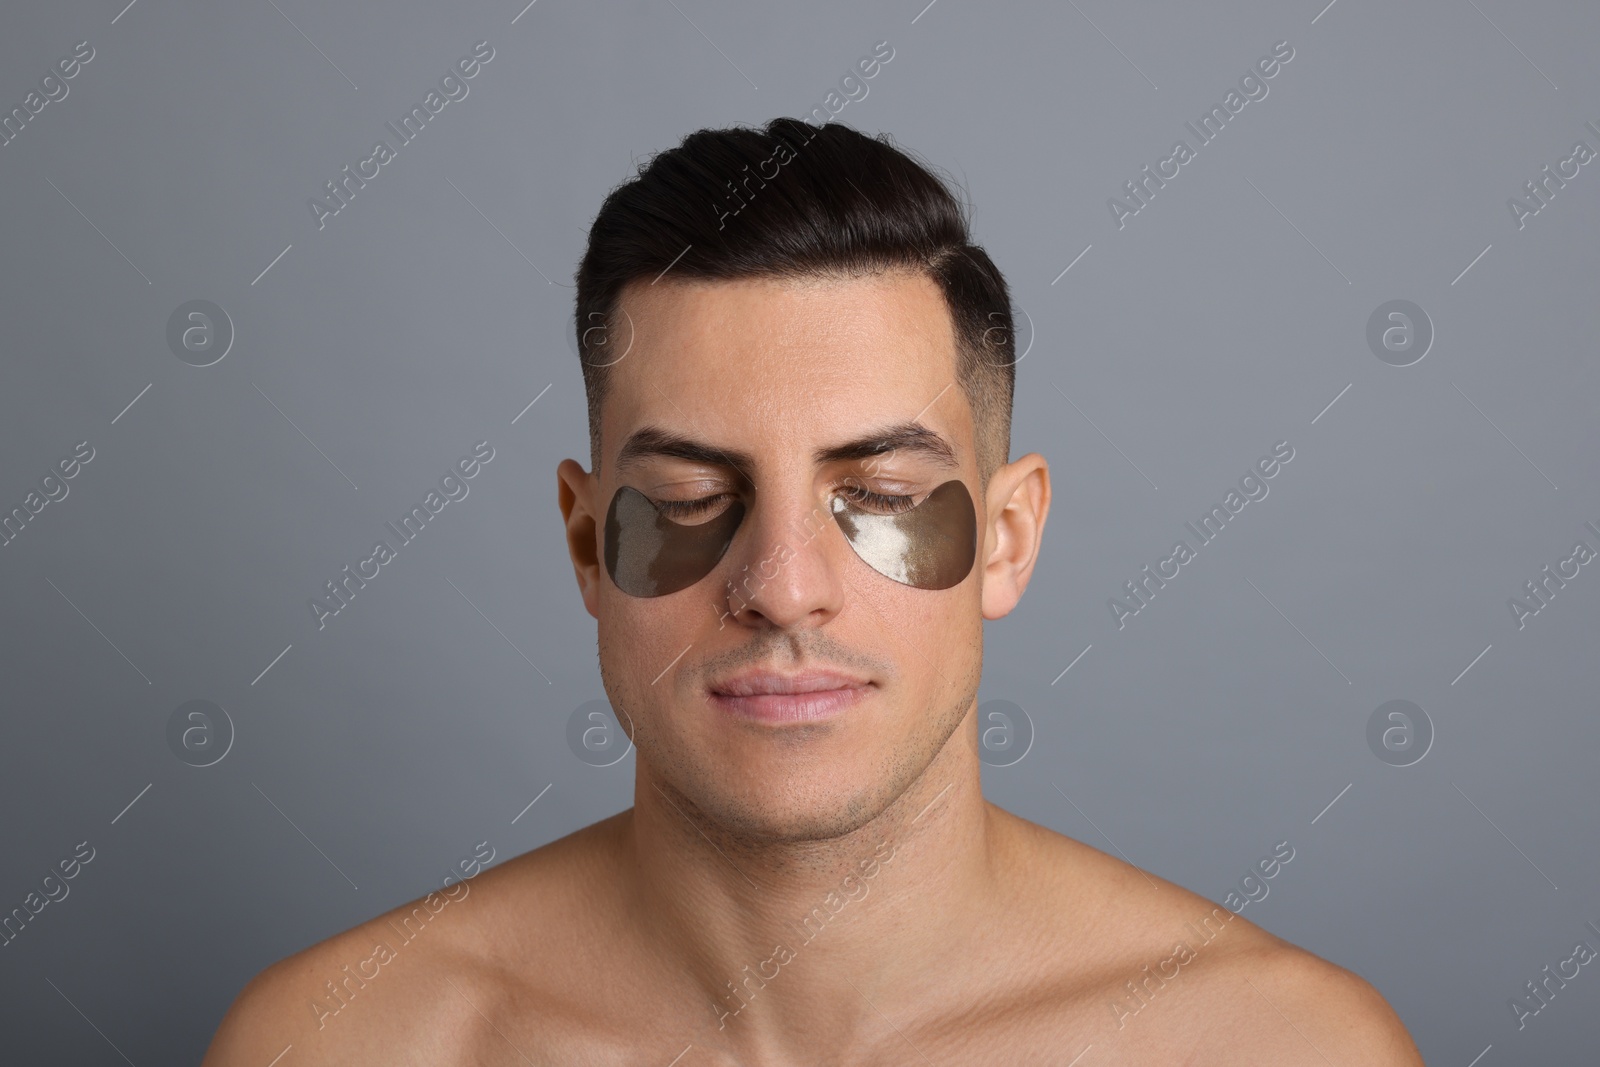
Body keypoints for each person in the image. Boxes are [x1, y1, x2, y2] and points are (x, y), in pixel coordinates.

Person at [204, 118, 1423, 1065]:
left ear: (1005, 538)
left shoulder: (1275, 1047)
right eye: (687, 499)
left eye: (883, 493)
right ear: (587, 544)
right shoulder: (347, 1041)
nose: (783, 587)